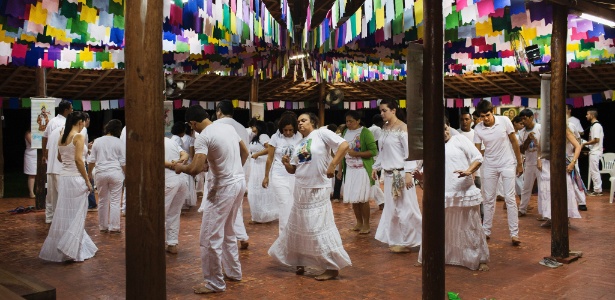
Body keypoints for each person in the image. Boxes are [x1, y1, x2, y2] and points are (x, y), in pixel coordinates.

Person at [268, 112, 351, 281]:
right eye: (298, 121)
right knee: (302, 226)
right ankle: (301, 261)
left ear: (313, 122)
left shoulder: (322, 133)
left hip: (318, 187)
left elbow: (344, 145)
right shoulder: (299, 144)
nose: (300, 123)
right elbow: (293, 169)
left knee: (317, 227)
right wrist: (285, 163)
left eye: (303, 120)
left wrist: (332, 165)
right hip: (301, 189)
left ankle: (331, 266)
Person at [175, 105, 249, 294]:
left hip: (223, 188)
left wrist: (179, 167)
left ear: (193, 123)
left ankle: (214, 283)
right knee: (229, 231)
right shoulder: (227, 128)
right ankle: (233, 272)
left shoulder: (204, 136)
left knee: (209, 237)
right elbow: (245, 152)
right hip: (238, 182)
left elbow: (194, 169)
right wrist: (231, 170)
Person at [418, 123, 489, 271]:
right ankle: (442, 256)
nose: (444, 132)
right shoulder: (432, 147)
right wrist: (420, 176)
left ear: (448, 126)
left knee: (470, 226)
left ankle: (478, 259)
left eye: (445, 128)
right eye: (440, 130)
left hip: (464, 192)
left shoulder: (460, 140)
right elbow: (427, 172)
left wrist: (469, 171)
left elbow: (478, 157)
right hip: (443, 193)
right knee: (441, 227)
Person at [39, 111, 97, 262]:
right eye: (84, 122)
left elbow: (59, 156)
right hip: (75, 177)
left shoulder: (62, 137)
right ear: (80, 122)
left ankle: (67, 244)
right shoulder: (78, 136)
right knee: (77, 212)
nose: (85, 124)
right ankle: (70, 247)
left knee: (65, 210)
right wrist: (87, 179)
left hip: (64, 177)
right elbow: (79, 160)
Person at [372, 99, 422, 253]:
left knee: (407, 208)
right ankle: (398, 240)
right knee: (392, 209)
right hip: (388, 176)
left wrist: (408, 173)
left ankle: (418, 238)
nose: (381, 113)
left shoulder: (403, 128)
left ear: (393, 110)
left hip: (400, 174)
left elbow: (410, 154)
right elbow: (383, 152)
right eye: (380, 111)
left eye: (384, 110)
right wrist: (376, 166)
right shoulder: (385, 128)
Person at [473, 100, 523, 246]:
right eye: (482, 116)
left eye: (487, 115)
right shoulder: (478, 128)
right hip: (489, 164)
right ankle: (486, 231)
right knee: (488, 199)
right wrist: (473, 170)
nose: (485, 119)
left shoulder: (504, 121)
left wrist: (519, 164)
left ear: (493, 111)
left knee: (510, 198)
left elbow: (514, 141)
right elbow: (476, 151)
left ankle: (514, 234)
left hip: (507, 163)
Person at [215, 100, 250, 249]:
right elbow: (245, 151)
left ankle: (233, 238)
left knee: (224, 208)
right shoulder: (242, 127)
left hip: (225, 172)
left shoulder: (218, 126)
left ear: (219, 111)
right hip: (242, 170)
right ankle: (241, 236)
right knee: (237, 206)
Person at [262, 111, 302, 236]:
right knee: (284, 203)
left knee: (294, 203)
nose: (288, 133)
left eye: (290, 130)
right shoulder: (275, 137)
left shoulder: (300, 136)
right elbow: (270, 158)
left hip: (295, 174)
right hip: (279, 174)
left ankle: (295, 233)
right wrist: (266, 176)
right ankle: (284, 236)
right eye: (285, 130)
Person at [340, 111, 377, 234]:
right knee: (354, 198)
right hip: (350, 170)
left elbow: (373, 151)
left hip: (362, 170)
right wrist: (340, 170)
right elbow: (342, 151)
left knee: (363, 199)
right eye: (347, 121)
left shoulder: (365, 132)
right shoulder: (345, 132)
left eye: (351, 121)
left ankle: (366, 224)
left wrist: (357, 154)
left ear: (358, 121)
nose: (348, 123)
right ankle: (359, 222)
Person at [538, 125, 583, 227]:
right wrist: (538, 159)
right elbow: (540, 147)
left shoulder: (565, 130)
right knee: (546, 190)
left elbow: (578, 146)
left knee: (564, 189)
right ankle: (549, 217)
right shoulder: (545, 131)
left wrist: (573, 162)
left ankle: (565, 217)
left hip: (561, 162)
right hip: (546, 163)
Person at [87, 120, 125, 234]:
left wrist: (89, 174)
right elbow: (123, 162)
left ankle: (103, 226)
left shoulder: (97, 141)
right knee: (115, 200)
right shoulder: (119, 142)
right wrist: (127, 175)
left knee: (103, 200)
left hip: (101, 173)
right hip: (116, 173)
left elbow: (92, 160)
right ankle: (114, 227)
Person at [42, 100, 73, 223]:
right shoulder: (66, 125)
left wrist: (45, 154)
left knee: (50, 194)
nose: (72, 111)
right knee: (60, 194)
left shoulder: (52, 123)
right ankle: (60, 219)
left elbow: (45, 138)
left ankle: (50, 218)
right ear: (66, 110)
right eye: (71, 109)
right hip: (60, 164)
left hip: (51, 164)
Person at [247, 120, 278, 223]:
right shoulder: (255, 137)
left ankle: (263, 216)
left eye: (254, 126)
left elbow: (270, 149)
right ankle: (258, 216)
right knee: (255, 191)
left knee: (260, 190)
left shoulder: (263, 136)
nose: (252, 128)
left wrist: (257, 154)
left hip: (261, 166)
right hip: (256, 166)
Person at [163, 135, 189, 254]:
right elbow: (185, 154)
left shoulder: (151, 142)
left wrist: (172, 165)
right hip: (181, 179)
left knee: (159, 215)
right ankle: (172, 243)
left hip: (167, 179)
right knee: (174, 213)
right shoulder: (171, 141)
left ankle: (155, 243)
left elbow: (156, 159)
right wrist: (179, 161)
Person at [517, 109, 541, 217]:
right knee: (526, 187)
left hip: (541, 162)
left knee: (542, 188)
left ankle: (544, 212)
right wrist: (528, 139)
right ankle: (522, 209)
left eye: (525, 119)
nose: (523, 121)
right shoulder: (521, 132)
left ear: (531, 117)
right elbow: (521, 150)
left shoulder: (540, 128)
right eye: (521, 119)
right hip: (529, 162)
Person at [582, 109, 604, 196]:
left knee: (594, 171)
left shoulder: (596, 126)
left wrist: (585, 143)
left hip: (596, 152)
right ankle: (597, 189)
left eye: (587, 114)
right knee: (593, 170)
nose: (586, 116)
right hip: (593, 151)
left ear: (592, 115)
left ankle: (598, 190)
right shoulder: (593, 126)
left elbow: (596, 140)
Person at [81, 113, 97, 211]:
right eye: (89, 120)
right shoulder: (83, 129)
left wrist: (88, 146)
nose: (89, 122)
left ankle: (90, 203)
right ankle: (91, 204)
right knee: (89, 180)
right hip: (83, 159)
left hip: (84, 157)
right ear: (86, 119)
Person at [369, 114, 385, 210]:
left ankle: (381, 202)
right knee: (374, 181)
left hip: (371, 157)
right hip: (375, 158)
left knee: (374, 181)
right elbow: (378, 143)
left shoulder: (369, 129)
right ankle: (382, 202)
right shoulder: (377, 129)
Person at [24, 129, 37, 198]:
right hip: (31, 156)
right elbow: (33, 143)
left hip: (42, 155)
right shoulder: (28, 133)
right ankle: (31, 192)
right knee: (32, 174)